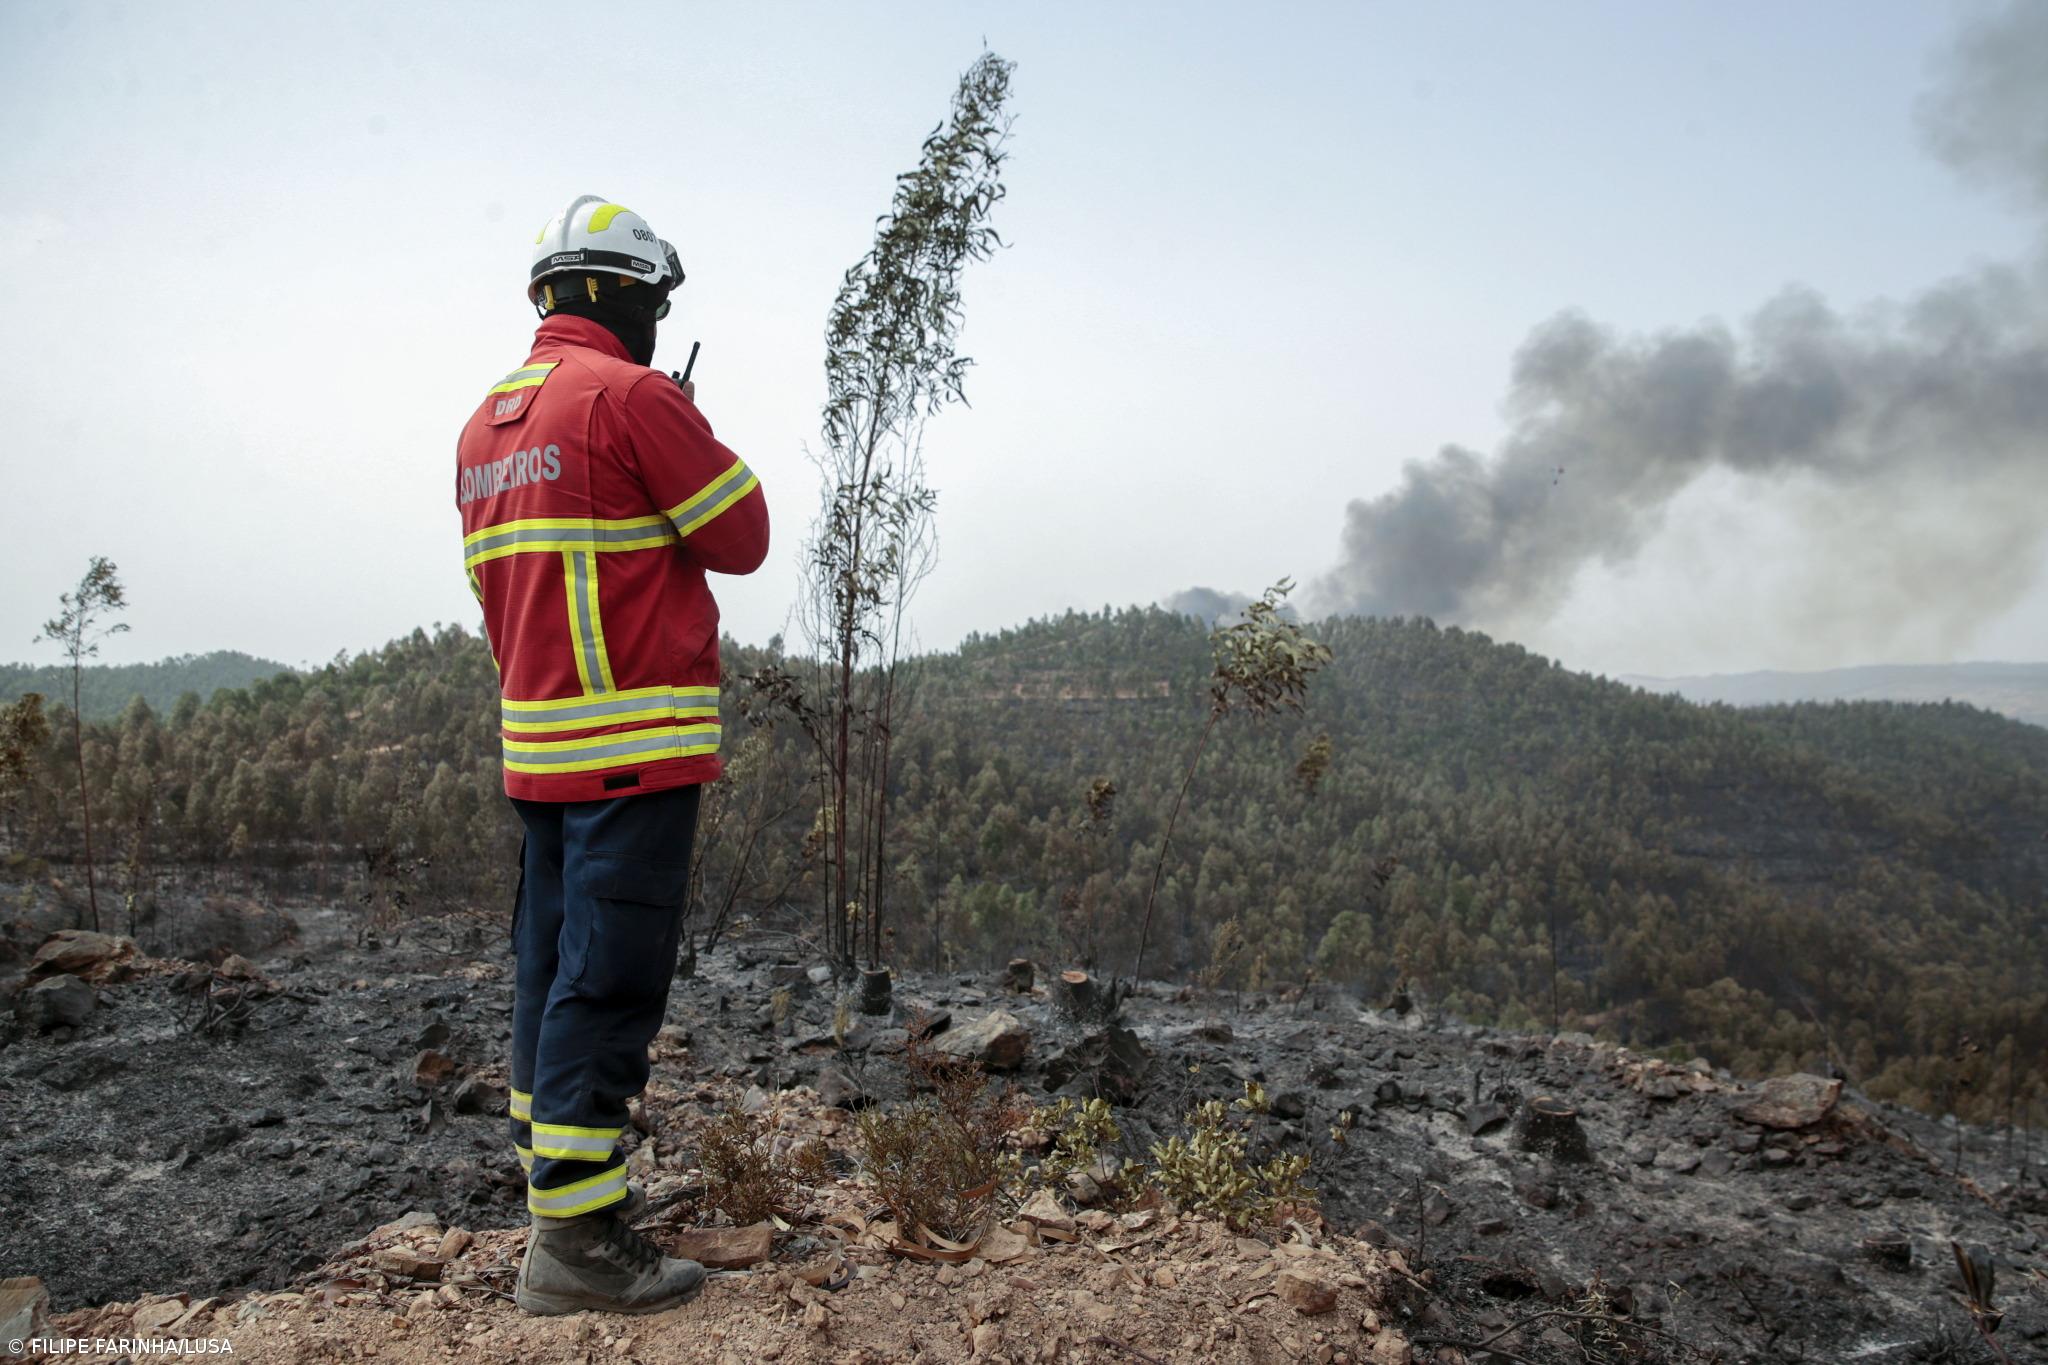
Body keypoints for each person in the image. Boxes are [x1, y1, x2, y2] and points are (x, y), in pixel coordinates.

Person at [454, 194, 769, 1315]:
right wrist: (684, 420)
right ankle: (578, 1245)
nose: (655, 319)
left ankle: (557, 1200)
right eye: (655, 301)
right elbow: (742, 535)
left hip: (539, 746)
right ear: (623, 295)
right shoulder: (631, 396)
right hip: (631, 745)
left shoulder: (487, 421)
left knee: (550, 976)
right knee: (610, 981)